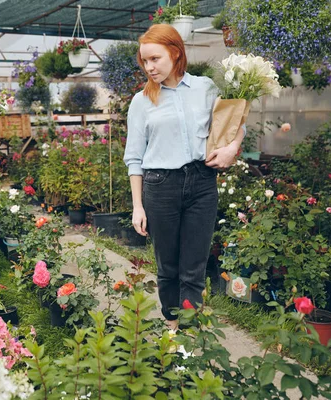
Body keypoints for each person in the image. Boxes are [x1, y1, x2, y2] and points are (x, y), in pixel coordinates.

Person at [123, 24, 245, 331]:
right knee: (168, 266)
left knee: (194, 265)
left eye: (155, 59)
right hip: (160, 186)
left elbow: (234, 123)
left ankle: (191, 330)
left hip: (202, 183)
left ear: (175, 53)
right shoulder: (141, 102)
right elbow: (134, 159)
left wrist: (232, 148)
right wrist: (138, 206)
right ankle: (172, 324)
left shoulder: (205, 88)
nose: (149, 67)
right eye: (145, 61)